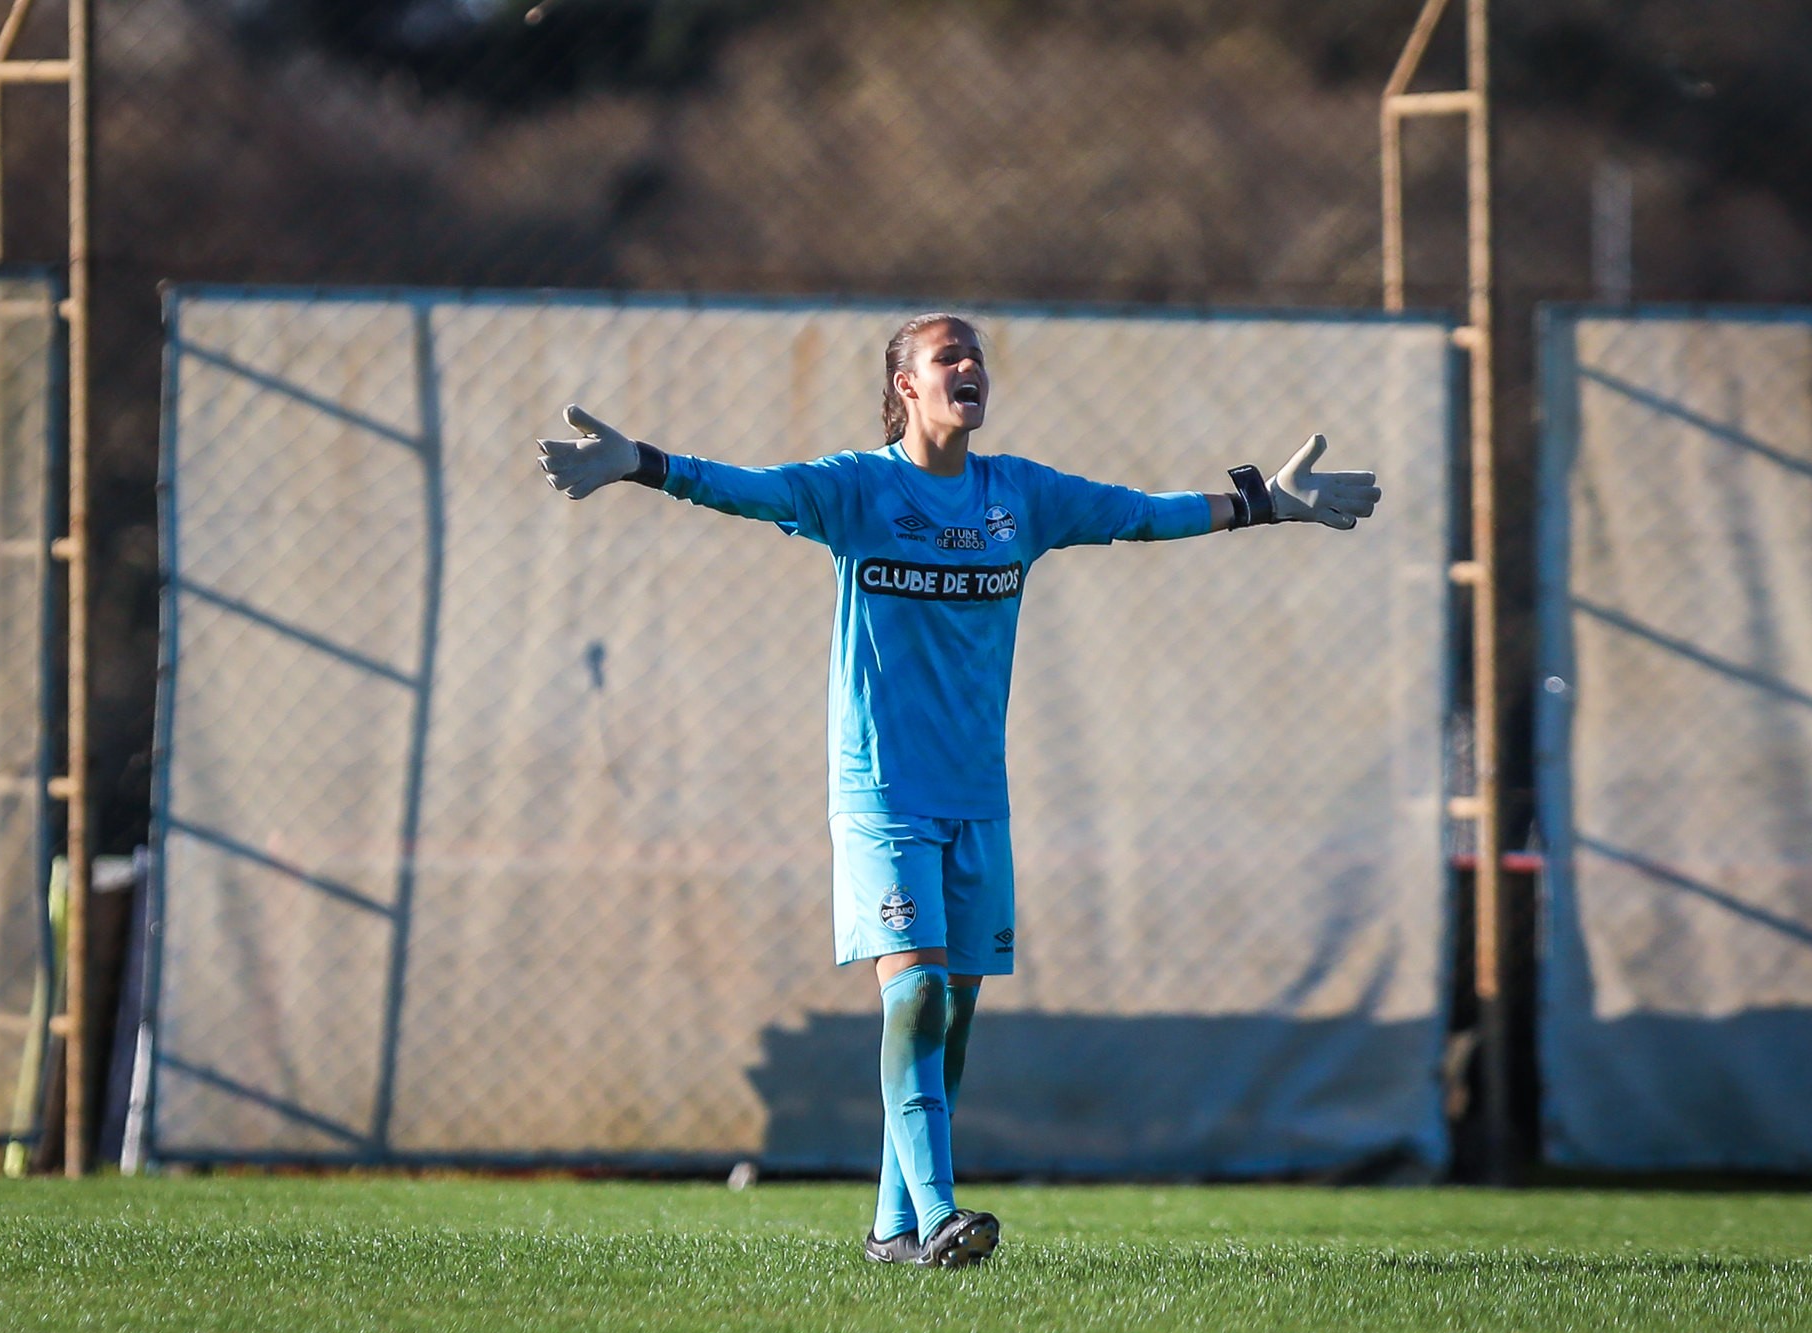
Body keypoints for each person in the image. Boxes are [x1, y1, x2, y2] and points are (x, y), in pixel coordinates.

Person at [535, 312, 1380, 1268]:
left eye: (977, 355)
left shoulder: (1019, 496)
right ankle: (939, 1216)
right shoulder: (857, 489)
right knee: (918, 993)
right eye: (949, 356)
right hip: (882, 794)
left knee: (955, 1010)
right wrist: (639, 460)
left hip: (979, 799)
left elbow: (1146, 512)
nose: (970, 368)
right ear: (906, 385)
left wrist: (1263, 500)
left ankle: (896, 1230)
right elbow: (743, 488)